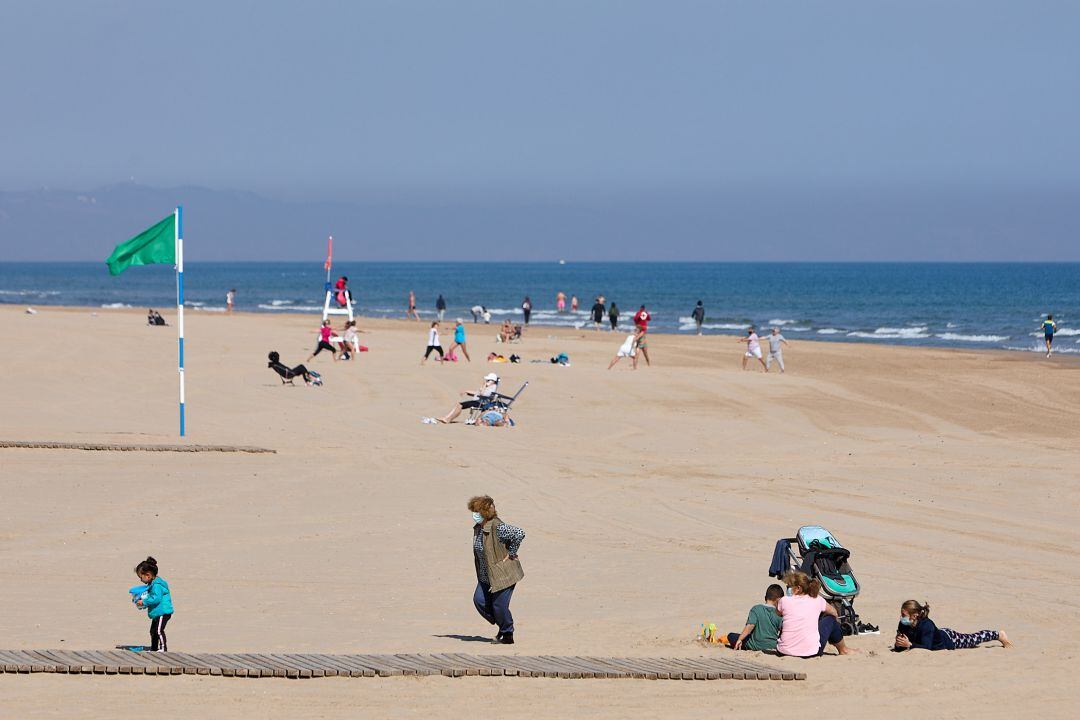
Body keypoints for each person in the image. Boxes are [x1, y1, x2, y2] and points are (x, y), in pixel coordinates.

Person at [468, 495, 525, 644]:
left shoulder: (497, 526)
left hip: (503, 574)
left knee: (499, 605)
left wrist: (511, 553)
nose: (474, 515)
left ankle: (507, 634)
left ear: (484, 513)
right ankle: (502, 623)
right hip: (486, 576)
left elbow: (519, 533)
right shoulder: (478, 528)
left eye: (476, 512)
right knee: (479, 600)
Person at [776, 571, 857, 657]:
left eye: (789, 586)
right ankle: (843, 650)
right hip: (811, 653)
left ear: (798, 588)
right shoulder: (817, 600)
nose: (788, 589)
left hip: (783, 651)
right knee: (831, 619)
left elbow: (778, 613)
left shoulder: (784, 600)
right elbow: (834, 613)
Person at [894, 600, 1011, 651]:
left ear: (914, 615)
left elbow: (928, 647)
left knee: (973, 639)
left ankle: (998, 634)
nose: (901, 617)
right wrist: (899, 643)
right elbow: (900, 646)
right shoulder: (903, 624)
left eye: (903, 614)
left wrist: (909, 645)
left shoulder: (927, 625)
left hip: (950, 639)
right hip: (936, 635)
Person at [727, 584, 785, 651]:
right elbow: (782, 631)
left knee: (731, 636)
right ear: (779, 600)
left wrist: (740, 639)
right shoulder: (779, 614)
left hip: (754, 645)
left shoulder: (756, 609)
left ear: (765, 597)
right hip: (773, 645)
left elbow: (750, 626)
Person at [134, 556, 173, 652]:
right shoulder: (152, 585)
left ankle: (163, 648)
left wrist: (144, 601)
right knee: (153, 631)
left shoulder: (157, 585)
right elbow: (150, 597)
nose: (141, 580)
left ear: (148, 575)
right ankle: (154, 648)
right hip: (157, 612)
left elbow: (156, 598)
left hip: (163, 612)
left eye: (141, 577)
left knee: (159, 630)